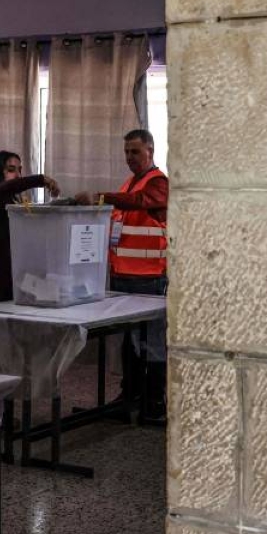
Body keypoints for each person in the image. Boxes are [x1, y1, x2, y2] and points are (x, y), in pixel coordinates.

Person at [76, 129, 168, 421]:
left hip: (150, 278)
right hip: (123, 276)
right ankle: (130, 394)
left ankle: (154, 402)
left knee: (151, 342)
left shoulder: (159, 183)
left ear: (150, 151)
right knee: (128, 341)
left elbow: (142, 202)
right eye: (127, 152)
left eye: (135, 152)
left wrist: (101, 196)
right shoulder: (129, 183)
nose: (129, 158)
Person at [0, 150, 59, 307]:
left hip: (1, 285)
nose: (18, 175)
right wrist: (40, 180)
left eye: (19, 170)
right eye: (11, 170)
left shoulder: (13, 204)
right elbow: (5, 188)